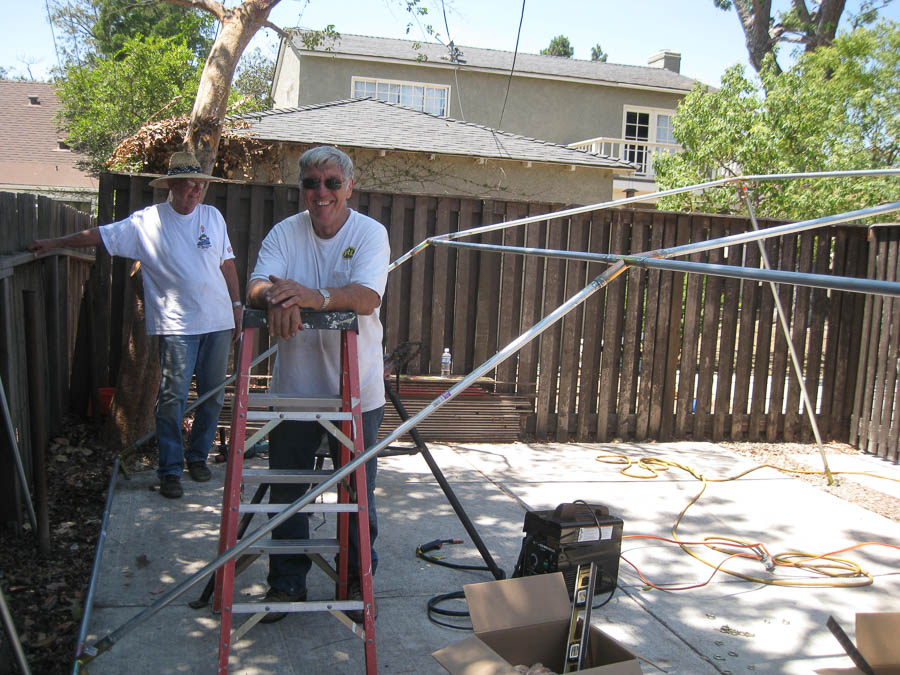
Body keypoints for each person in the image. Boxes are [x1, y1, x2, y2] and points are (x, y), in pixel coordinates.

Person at [28, 151, 242, 500]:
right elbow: (100, 235)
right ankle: (170, 469)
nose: (195, 193)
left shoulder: (213, 217)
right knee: (172, 398)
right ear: (172, 186)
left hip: (217, 321)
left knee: (212, 396)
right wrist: (56, 243)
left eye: (199, 187)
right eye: (188, 187)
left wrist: (236, 304)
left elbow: (228, 264)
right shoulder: (148, 222)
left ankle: (198, 458)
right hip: (177, 325)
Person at [246, 146, 390, 623]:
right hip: (296, 391)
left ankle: (355, 582)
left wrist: (312, 297)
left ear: (350, 185)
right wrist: (276, 297)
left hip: (357, 392)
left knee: (356, 495)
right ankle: (286, 585)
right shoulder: (285, 232)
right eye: (312, 183)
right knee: (290, 493)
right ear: (302, 188)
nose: (321, 192)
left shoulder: (370, 233)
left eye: (331, 182)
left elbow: (366, 296)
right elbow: (254, 286)